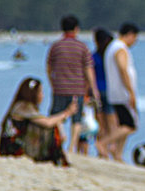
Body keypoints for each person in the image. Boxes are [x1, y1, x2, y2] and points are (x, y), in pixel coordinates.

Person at [46, 15, 100, 157]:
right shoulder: (82, 47)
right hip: (78, 89)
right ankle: (71, 147)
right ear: (76, 29)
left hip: (59, 87)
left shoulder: (56, 46)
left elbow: (49, 67)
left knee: (57, 115)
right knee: (76, 119)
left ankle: (61, 136)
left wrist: (52, 83)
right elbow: (89, 69)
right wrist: (93, 89)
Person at [1, 76, 76, 165]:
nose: (42, 95)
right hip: (13, 146)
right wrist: (67, 113)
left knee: (51, 126)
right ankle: (57, 157)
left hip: (17, 142)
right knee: (50, 128)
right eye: (40, 92)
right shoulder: (23, 107)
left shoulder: (24, 107)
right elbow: (47, 122)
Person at [97, 23, 139, 161]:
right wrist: (130, 91)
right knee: (130, 125)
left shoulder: (112, 47)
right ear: (130, 35)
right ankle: (104, 143)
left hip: (115, 92)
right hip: (122, 93)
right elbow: (123, 69)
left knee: (123, 124)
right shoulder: (120, 48)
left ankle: (118, 154)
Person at [91, 28, 116, 151]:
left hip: (96, 91)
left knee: (100, 123)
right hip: (110, 91)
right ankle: (112, 147)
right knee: (112, 123)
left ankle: (101, 148)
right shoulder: (111, 57)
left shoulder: (93, 57)